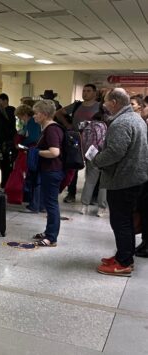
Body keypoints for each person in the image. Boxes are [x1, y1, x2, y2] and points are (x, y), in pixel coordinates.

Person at [93, 89, 148, 276]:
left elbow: (115, 152)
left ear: (115, 102)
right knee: (125, 220)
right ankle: (123, 255)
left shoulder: (121, 122)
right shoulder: (136, 118)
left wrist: (97, 159)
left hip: (123, 179)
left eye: (106, 102)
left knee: (121, 222)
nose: (104, 105)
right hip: (135, 177)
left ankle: (124, 262)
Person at [55, 84, 100, 203]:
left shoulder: (100, 107)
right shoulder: (77, 105)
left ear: (95, 93)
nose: (85, 93)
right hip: (75, 141)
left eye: (88, 91)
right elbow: (58, 113)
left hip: (92, 143)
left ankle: (92, 196)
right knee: (73, 167)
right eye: (84, 91)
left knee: (93, 169)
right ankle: (71, 193)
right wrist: (67, 125)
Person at [31, 100, 64, 247]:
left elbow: (54, 152)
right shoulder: (48, 128)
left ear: (44, 115)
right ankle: (49, 231)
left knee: (51, 204)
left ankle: (51, 237)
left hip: (52, 171)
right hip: (49, 170)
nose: (34, 116)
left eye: (36, 113)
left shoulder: (51, 130)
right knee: (49, 203)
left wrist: (36, 152)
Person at [79, 106, 108, 217]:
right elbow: (103, 142)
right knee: (104, 183)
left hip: (90, 155)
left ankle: (84, 206)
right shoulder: (104, 126)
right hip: (102, 155)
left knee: (90, 181)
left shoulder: (87, 125)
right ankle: (101, 207)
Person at [16, 105, 42, 213]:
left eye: (21, 117)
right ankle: (39, 204)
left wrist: (21, 143)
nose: (21, 120)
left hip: (34, 151)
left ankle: (34, 205)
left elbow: (33, 137)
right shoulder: (33, 122)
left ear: (25, 115)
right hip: (37, 151)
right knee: (38, 179)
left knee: (35, 178)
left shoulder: (32, 122)